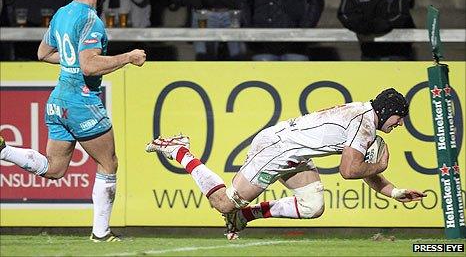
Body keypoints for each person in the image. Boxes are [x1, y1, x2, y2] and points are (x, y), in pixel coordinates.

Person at [145, 88, 426, 239]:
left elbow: (359, 168)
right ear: (388, 112)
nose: (400, 123)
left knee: (312, 207)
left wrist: (395, 192)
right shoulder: (364, 124)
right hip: (276, 150)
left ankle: (246, 217)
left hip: (294, 153)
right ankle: (180, 151)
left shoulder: (366, 119)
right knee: (224, 203)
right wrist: (380, 166)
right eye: (400, 117)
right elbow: (350, 170)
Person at [0, 0, 146, 242]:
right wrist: (128, 57)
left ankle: (4, 151)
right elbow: (89, 66)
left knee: (55, 168)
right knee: (108, 163)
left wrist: (71, 61)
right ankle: (101, 233)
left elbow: (43, 53)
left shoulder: (62, 13)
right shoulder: (91, 20)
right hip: (81, 101)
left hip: (58, 100)